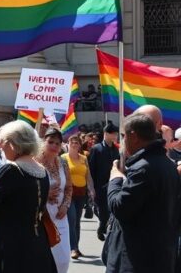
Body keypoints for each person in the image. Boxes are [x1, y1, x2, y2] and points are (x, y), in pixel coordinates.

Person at [103, 113, 181, 272]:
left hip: (137, 259)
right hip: (159, 257)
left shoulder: (143, 168)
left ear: (133, 136)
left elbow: (120, 207)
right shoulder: (167, 164)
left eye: (124, 136)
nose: (123, 141)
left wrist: (115, 179)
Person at [0, 120, 57, 273]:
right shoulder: (42, 171)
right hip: (38, 242)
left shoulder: (10, 170)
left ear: (14, 143)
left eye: (3, 142)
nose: (0, 146)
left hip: (12, 245)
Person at [35, 128, 72, 273]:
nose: (54, 146)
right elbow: (29, 189)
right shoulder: (34, 163)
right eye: (50, 142)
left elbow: (69, 187)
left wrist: (66, 205)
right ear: (43, 142)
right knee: (43, 260)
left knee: (63, 260)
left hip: (60, 216)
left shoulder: (63, 162)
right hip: (42, 217)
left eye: (58, 143)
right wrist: (45, 193)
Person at [64, 135, 95, 260]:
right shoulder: (63, 158)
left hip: (81, 193)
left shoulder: (83, 158)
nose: (75, 144)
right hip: (68, 193)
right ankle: (73, 248)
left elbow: (88, 175)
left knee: (77, 222)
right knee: (71, 219)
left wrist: (91, 189)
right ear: (68, 143)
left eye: (77, 142)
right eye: (73, 142)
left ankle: (76, 246)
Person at [88, 122, 120, 241]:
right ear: (106, 134)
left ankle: (104, 229)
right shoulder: (96, 149)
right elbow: (91, 169)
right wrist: (91, 188)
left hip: (113, 184)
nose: (115, 136)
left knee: (111, 210)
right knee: (103, 212)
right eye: (113, 134)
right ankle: (102, 227)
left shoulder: (116, 150)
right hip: (100, 186)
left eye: (116, 134)